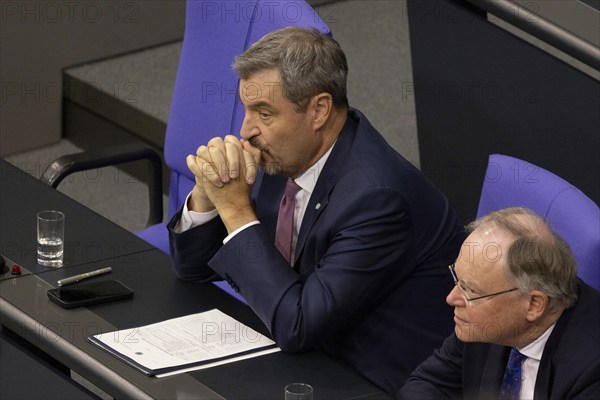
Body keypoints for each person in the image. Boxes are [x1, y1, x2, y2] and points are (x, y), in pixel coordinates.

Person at [168, 27, 465, 394]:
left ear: (319, 110)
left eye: (264, 113)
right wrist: (206, 194)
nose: (246, 131)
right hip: (306, 349)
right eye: (246, 109)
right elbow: (193, 268)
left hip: (372, 378)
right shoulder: (287, 152)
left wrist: (236, 210)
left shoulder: (377, 199)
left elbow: (298, 326)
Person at [399, 207, 600, 399]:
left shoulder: (590, 370)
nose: (451, 298)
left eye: (470, 290)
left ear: (534, 305)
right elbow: (426, 383)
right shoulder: (481, 323)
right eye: (457, 280)